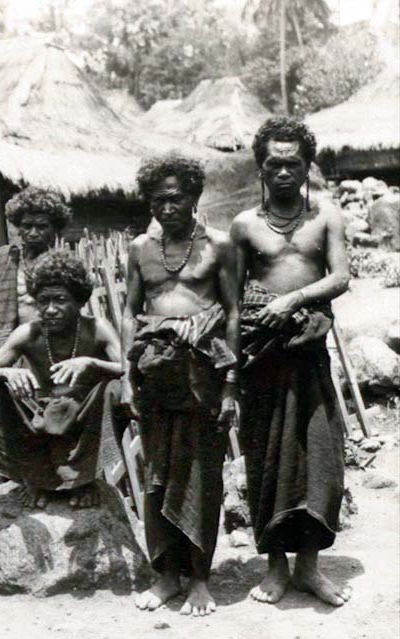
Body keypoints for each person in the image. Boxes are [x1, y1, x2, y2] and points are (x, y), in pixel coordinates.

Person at [230, 116, 351, 607]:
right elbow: (232, 299)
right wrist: (232, 363)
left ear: (307, 166)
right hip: (261, 358)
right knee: (266, 458)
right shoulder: (243, 225)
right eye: (274, 164)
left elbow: (341, 277)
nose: (284, 172)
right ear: (261, 167)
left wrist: (295, 299)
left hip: (309, 356)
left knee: (317, 456)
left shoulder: (327, 217)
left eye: (293, 163)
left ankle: (309, 567)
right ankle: (276, 568)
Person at [121, 154, 239, 617]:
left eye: (176, 198)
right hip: (153, 375)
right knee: (156, 475)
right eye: (158, 200)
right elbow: (131, 312)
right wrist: (128, 378)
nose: (167, 207)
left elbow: (231, 314)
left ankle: (201, 580)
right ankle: (167, 575)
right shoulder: (138, 250)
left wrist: (230, 385)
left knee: (202, 476)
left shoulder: (220, 246)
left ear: (194, 197)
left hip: (202, 375)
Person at [0, 250, 124, 509]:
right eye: (43, 301)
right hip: (39, 412)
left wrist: (92, 363)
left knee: (116, 390)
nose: (50, 310)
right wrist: (7, 372)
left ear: (79, 300)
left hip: (84, 411)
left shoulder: (97, 329)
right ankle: (34, 480)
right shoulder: (28, 333)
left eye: (60, 300)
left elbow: (127, 368)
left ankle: (87, 482)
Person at [0, 186, 72, 356]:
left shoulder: (66, 268)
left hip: (54, 349)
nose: (33, 233)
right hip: (11, 349)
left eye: (41, 226)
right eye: (27, 226)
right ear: (18, 226)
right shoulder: (3, 262)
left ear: (55, 228)